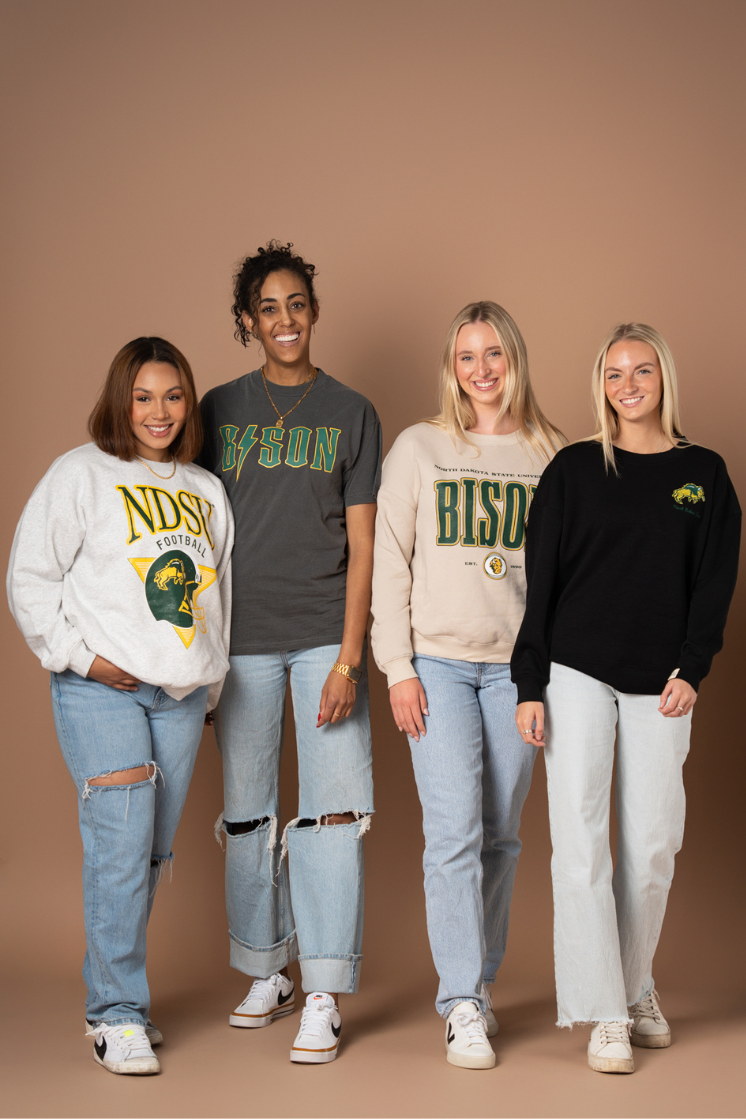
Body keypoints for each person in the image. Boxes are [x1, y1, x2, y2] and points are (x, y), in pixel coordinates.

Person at [511, 323, 741, 1074]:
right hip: (576, 668)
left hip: (663, 680)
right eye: (615, 373)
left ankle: (636, 980)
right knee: (579, 840)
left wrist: (692, 667)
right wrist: (530, 681)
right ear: (601, 384)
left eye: (642, 370)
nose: (629, 384)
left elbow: (714, 581)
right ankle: (606, 1011)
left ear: (663, 379)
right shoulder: (574, 469)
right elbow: (538, 580)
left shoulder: (704, 473)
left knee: (651, 844)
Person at [7, 337, 234, 1075]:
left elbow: (217, 599)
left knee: (148, 851)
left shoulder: (205, 490)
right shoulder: (80, 473)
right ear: (120, 400)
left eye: (172, 396)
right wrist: (82, 657)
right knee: (120, 836)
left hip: (177, 693)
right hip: (99, 685)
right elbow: (29, 575)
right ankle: (115, 1011)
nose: (159, 411)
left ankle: (121, 996)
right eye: (143, 396)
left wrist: (212, 687)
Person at [197, 241, 380, 1064]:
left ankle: (322, 991)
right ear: (247, 321)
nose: (284, 319)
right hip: (240, 644)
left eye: (296, 303)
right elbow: (192, 533)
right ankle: (266, 967)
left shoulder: (353, 412)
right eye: (267, 307)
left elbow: (366, 547)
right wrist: (198, 660)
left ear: (314, 309)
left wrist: (349, 659)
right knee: (247, 816)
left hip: (321, 635)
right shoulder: (217, 410)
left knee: (332, 815)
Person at [371, 301, 564, 1068]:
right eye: (466, 356)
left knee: (502, 833)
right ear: (451, 367)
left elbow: (567, 579)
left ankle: (479, 979)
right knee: (452, 830)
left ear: (515, 358)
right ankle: (460, 1002)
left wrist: (544, 679)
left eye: (494, 354)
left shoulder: (553, 454)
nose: (481, 370)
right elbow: (389, 559)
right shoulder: (420, 448)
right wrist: (398, 668)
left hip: (518, 673)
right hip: (439, 667)